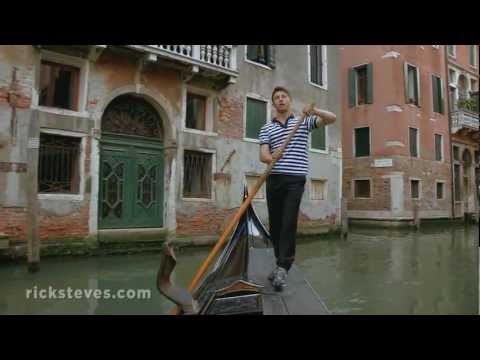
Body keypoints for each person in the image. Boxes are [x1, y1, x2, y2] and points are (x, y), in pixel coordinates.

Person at [258, 86, 336, 291]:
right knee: (274, 226)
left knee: (288, 222)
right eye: (277, 98)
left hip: (295, 180)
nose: (281, 100)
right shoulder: (267, 128)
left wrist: (315, 111)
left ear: (289, 101)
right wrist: (270, 157)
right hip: (274, 179)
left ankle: (284, 266)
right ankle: (278, 263)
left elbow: (332, 118)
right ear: (273, 103)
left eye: (284, 96)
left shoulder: (302, 122)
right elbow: (263, 154)